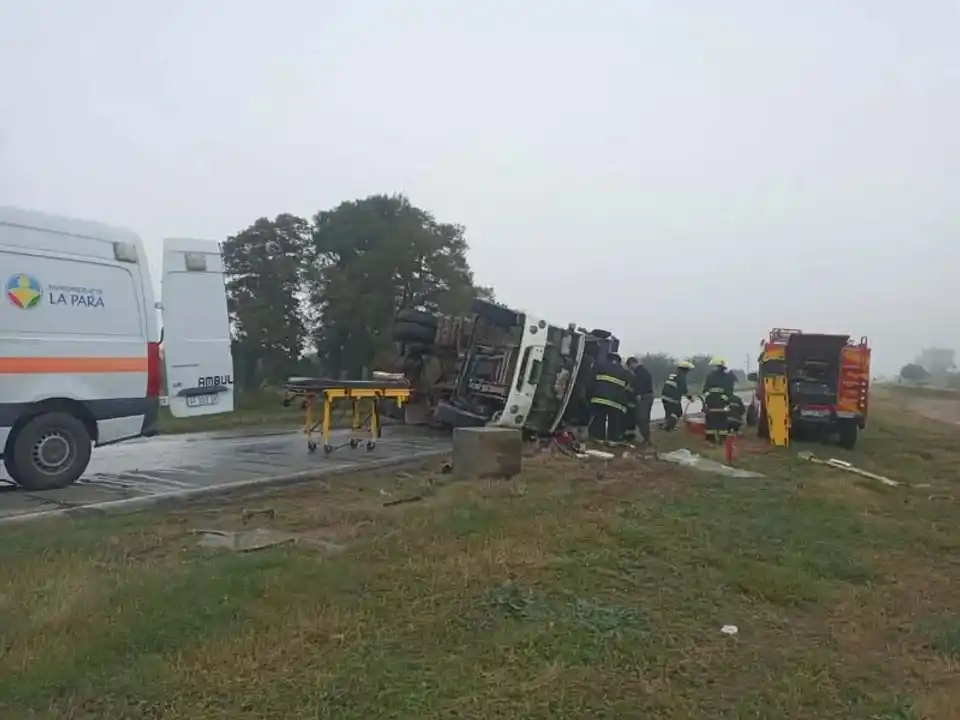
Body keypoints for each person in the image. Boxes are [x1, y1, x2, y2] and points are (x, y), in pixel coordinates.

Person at [588, 353, 633, 442]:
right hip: (616, 402)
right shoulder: (625, 372)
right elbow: (629, 388)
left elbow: (590, 381)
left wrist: (589, 396)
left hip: (599, 399)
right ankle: (613, 439)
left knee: (599, 419)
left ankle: (598, 438)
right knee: (614, 421)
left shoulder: (598, 367)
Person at [702, 357, 734, 443]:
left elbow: (729, 391)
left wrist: (723, 400)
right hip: (712, 403)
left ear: (721, 367)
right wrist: (708, 398)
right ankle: (711, 439)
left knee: (720, 421)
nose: (714, 368)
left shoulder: (726, 378)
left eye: (716, 366)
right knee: (711, 421)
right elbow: (705, 390)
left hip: (719, 403)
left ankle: (721, 439)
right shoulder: (710, 377)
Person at [626, 356, 655, 445]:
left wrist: (633, 391)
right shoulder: (642, 371)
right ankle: (646, 439)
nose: (630, 369)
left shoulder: (640, 372)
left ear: (632, 363)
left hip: (644, 397)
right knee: (643, 418)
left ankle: (646, 439)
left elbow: (640, 385)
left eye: (629, 366)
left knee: (642, 418)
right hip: (646, 396)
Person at [660, 360, 695, 431]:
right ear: (685, 370)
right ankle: (668, 426)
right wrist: (690, 398)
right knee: (678, 412)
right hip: (672, 398)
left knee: (669, 413)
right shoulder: (681, 377)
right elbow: (684, 390)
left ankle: (667, 424)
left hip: (664, 397)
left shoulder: (673, 375)